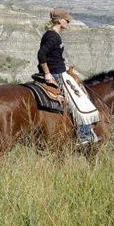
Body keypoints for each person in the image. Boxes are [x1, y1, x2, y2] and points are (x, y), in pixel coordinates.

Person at [37, 8, 98, 145]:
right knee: (81, 101)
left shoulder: (53, 35)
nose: (68, 21)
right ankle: (83, 136)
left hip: (60, 71)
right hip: (56, 74)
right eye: (66, 19)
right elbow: (41, 54)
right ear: (59, 20)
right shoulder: (52, 37)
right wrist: (47, 73)